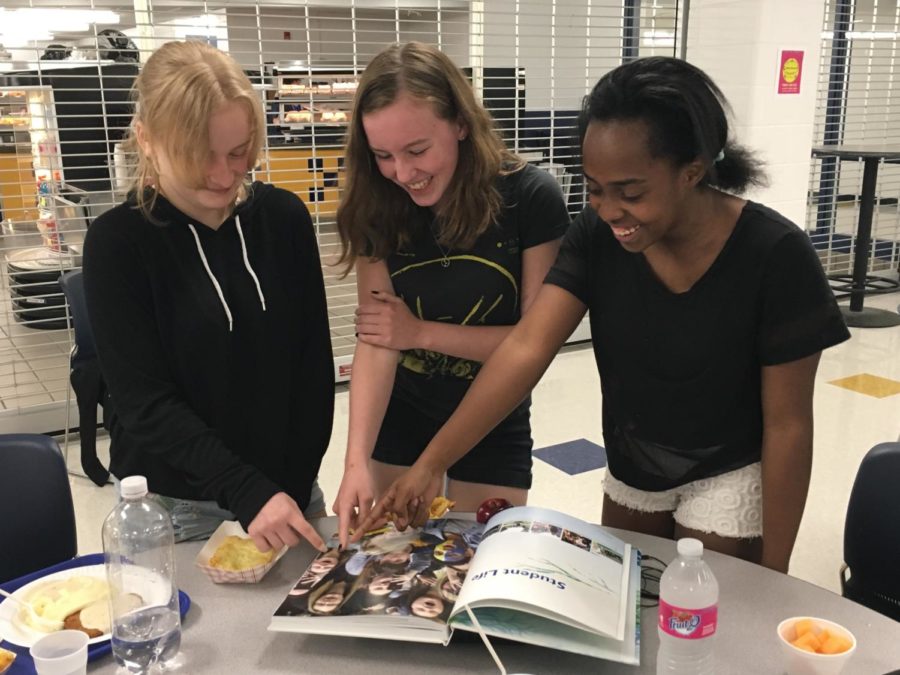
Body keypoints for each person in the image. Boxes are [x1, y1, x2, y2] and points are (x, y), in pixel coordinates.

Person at [359, 56, 851, 572]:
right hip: (633, 462)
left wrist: (777, 573)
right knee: (632, 605)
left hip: (729, 470)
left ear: (693, 171)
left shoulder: (774, 255)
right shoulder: (598, 236)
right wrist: (429, 466)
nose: (610, 210)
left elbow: (789, 427)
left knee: (708, 611)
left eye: (631, 192)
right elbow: (527, 346)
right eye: (594, 189)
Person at [83, 41, 334, 553]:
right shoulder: (118, 243)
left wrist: (289, 484)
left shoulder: (283, 219)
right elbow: (145, 403)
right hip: (177, 510)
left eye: (238, 152)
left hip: (287, 497)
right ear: (146, 140)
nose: (223, 176)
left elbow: (312, 366)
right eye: (198, 158)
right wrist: (246, 489)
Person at [332, 41, 570, 547]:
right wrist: (354, 462)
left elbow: (532, 345)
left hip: (492, 418)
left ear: (461, 123)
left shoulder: (528, 198)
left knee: (478, 570)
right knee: (390, 570)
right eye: (383, 156)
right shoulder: (378, 204)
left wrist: (419, 333)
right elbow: (379, 340)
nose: (403, 173)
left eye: (418, 150)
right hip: (401, 418)